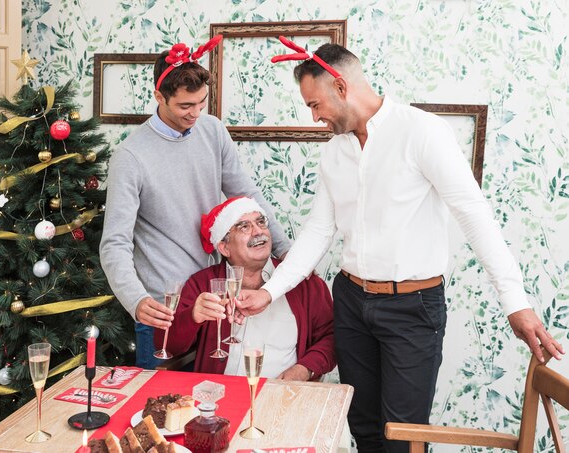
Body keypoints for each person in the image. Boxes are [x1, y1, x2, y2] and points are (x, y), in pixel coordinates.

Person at [237, 41, 564, 452]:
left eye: (315, 104)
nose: (315, 116)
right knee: (364, 428)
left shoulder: (422, 131)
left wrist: (515, 301)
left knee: (404, 436)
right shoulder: (335, 151)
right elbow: (319, 231)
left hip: (413, 308)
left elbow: (472, 212)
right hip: (352, 302)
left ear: (341, 86)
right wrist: (269, 292)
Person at [99, 36, 291, 369]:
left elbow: (248, 196)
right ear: (159, 97)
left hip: (215, 302)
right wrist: (136, 300)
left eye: (201, 103)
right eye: (185, 106)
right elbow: (114, 243)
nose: (195, 113)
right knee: (161, 410)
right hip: (165, 311)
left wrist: (285, 250)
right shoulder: (130, 157)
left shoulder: (213, 131)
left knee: (213, 407)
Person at [154, 196, 335, 380]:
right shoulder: (203, 284)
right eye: (244, 226)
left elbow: (331, 337)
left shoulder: (303, 282)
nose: (258, 232)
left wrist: (305, 369)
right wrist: (193, 316)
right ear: (224, 247)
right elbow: (166, 345)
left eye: (261, 222)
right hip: (221, 397)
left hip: (284, 397)